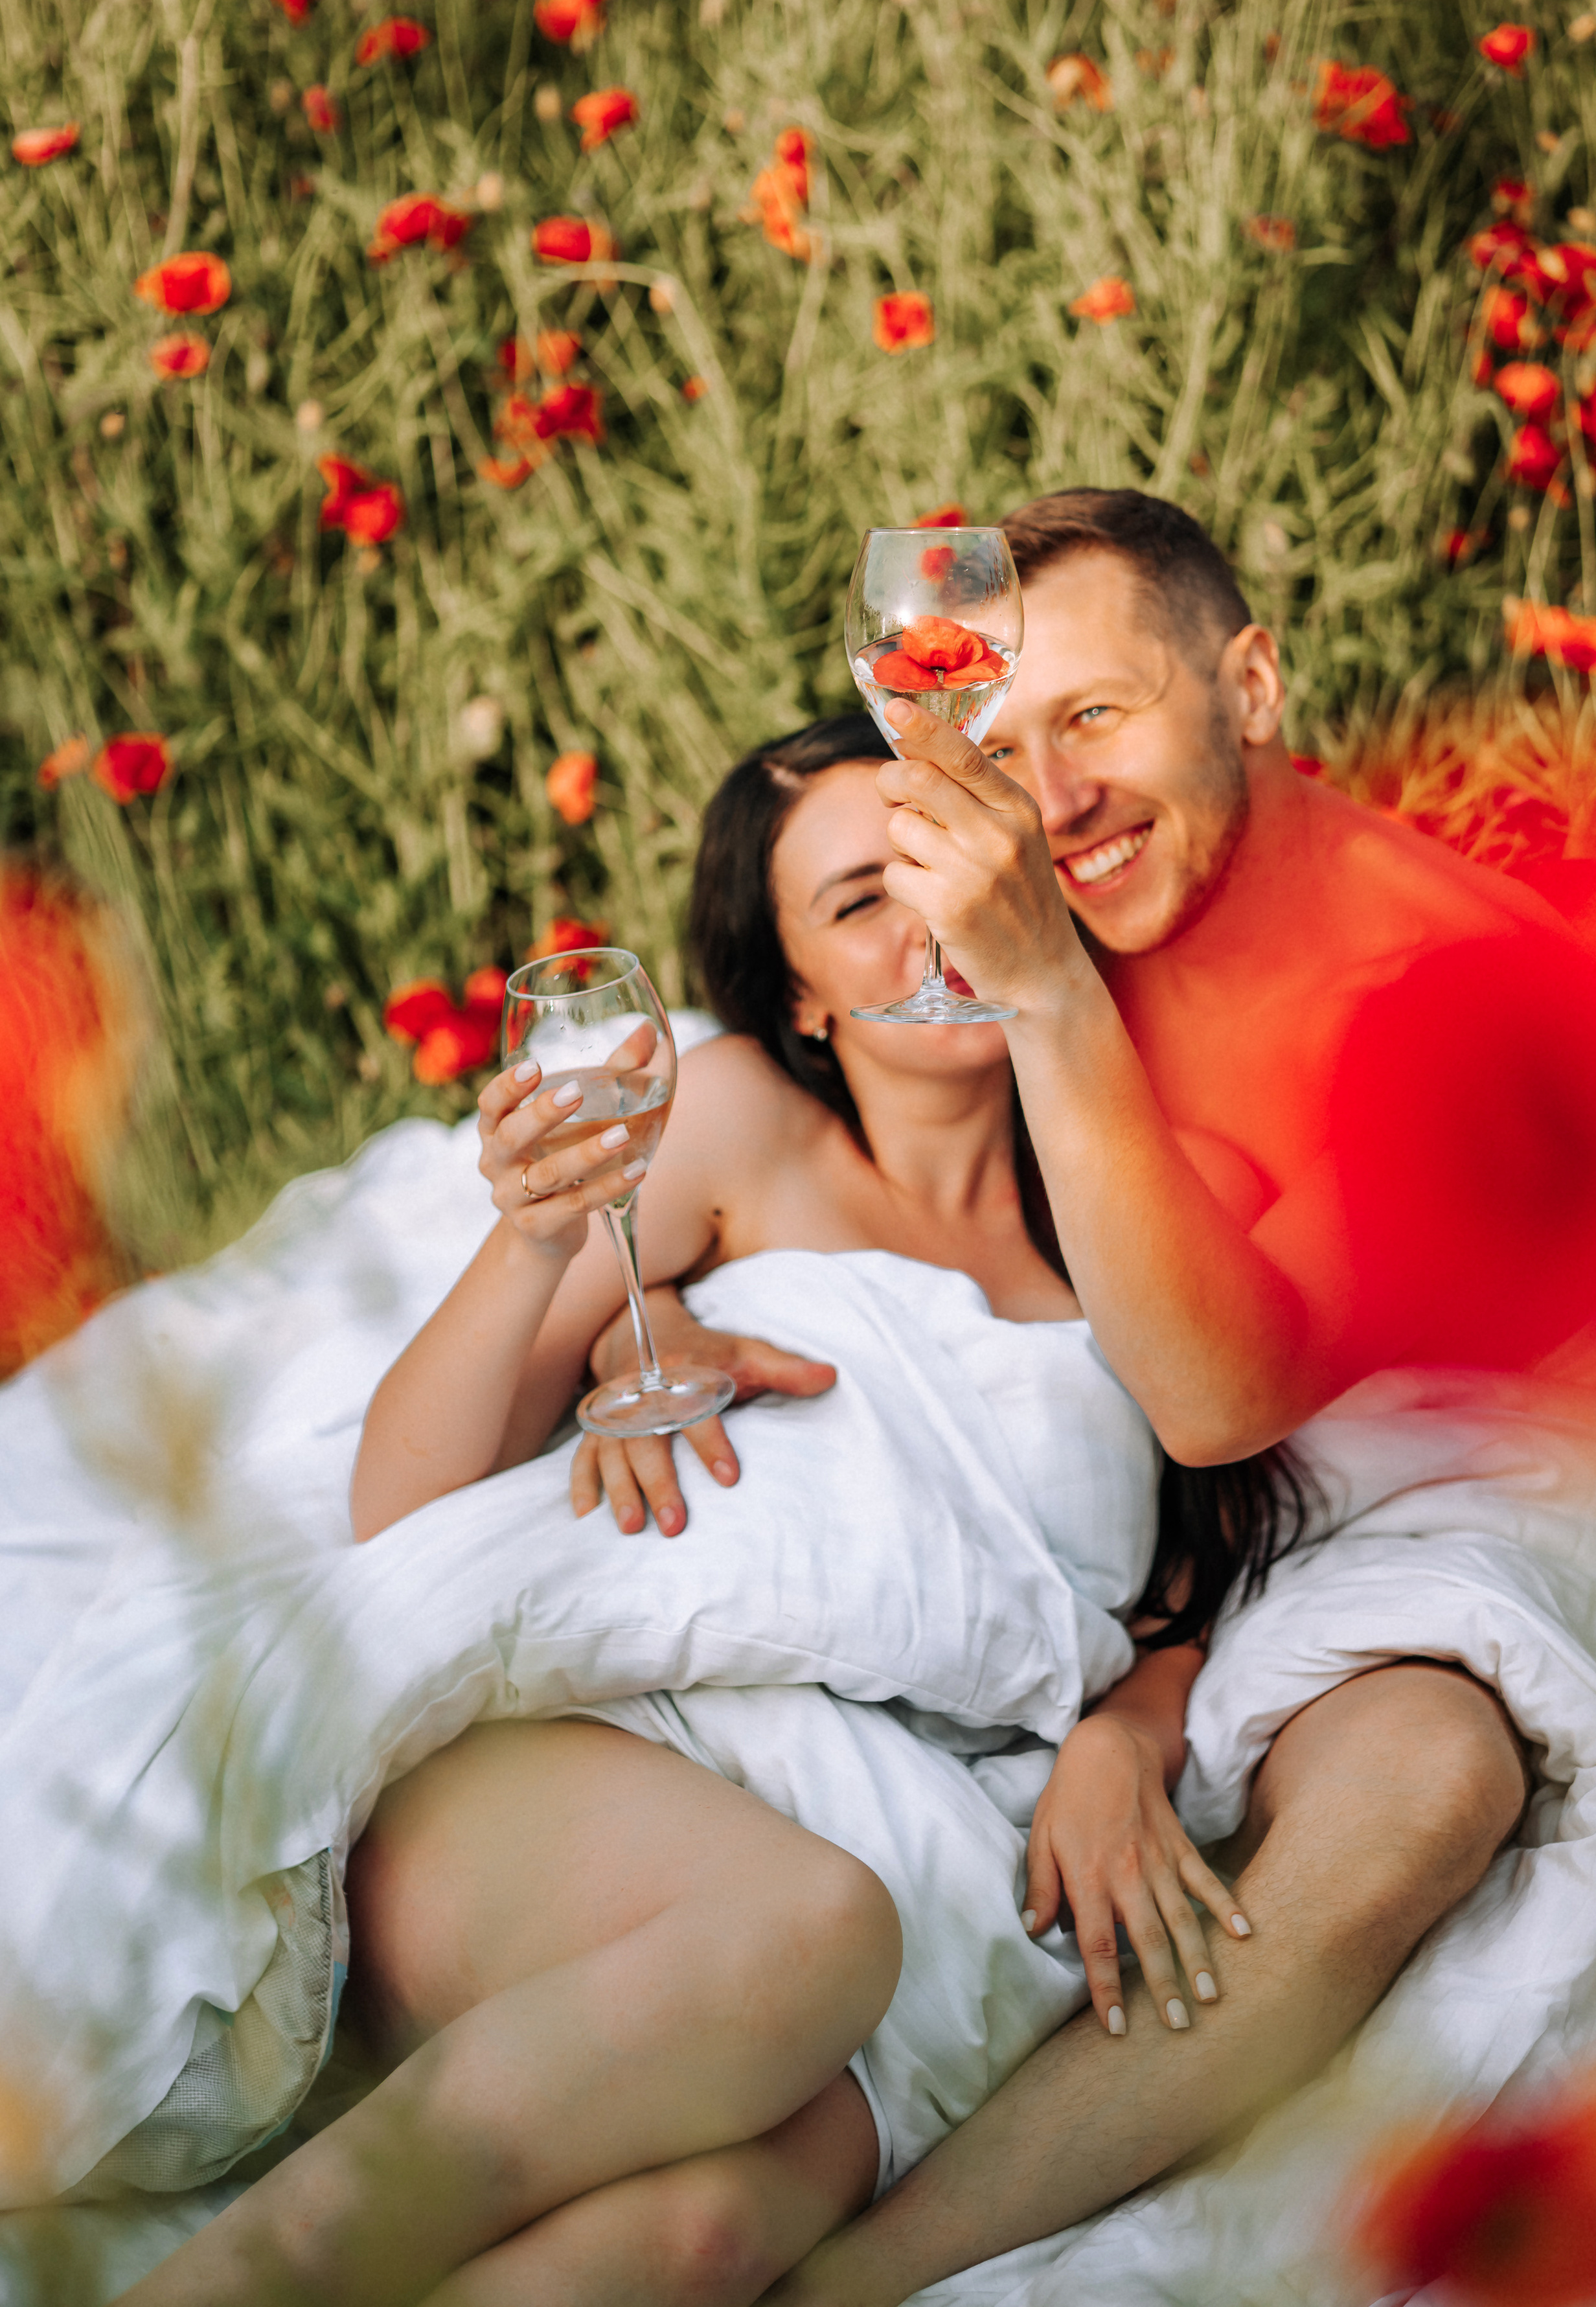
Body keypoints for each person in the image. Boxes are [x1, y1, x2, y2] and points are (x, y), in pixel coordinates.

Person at [593, 491, 1596, 2306]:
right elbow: (854, 1103)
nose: (1058, 796)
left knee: (1430, 1779)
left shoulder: (1433, 995)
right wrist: (653, 1312)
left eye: (1097, 716)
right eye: (1005, 744)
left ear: (1248, 686)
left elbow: (1219, 1398)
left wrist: (1143, 1707)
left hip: (1467, 1481)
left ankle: (881, 2274)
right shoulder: (1090, 905)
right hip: (1187, 1510)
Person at [119, 712, 1284, 2307]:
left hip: (911, 1803)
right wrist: (551, 1258)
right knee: (808, 1931)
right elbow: (403, 1498)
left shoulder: (1139, 1185)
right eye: (857, 902)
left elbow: (1198, 1564)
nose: (924, 924)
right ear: (799, 992)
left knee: (711, 2236)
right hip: (608, 1738)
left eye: (932, 865)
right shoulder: (740, 1124)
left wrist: (1121, 1739)